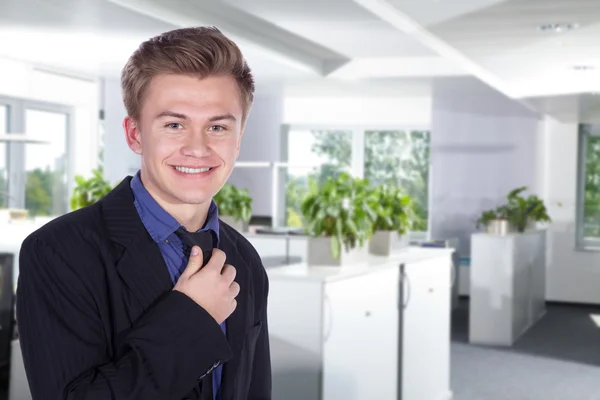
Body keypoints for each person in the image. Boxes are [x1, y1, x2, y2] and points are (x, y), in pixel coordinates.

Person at [15, 26, 271, 400]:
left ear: (239, 137)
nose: (197, 148)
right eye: (174, 125)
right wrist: (193, 319)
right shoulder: (58, 252)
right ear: (135, 134)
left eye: (217, 127)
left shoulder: (245, 260)